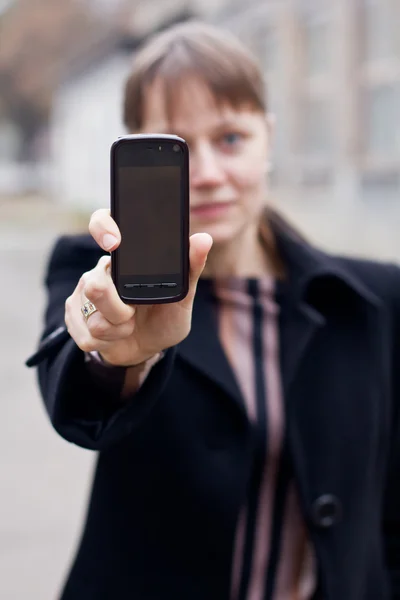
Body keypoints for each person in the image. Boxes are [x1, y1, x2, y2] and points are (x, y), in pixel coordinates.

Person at [27, 20, 400, 600]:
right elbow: (71, 391)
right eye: (176, 148)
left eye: (230, 139)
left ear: (267, 138)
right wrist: (117, 356)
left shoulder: (373, 299)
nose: (206, 173)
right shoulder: (95, 272)